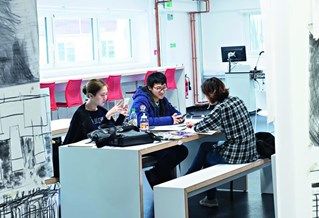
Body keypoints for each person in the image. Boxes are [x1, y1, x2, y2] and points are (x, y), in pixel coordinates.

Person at [185, 77, 258, 207]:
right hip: (250, 150)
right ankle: (207, 195)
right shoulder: (236, 100)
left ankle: (187, 181)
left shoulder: (221, 108)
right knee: (206, 147)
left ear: (211, 93)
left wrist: (193, 125)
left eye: (206, 95)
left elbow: (201, 127)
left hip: (238, 155)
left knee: (206, 156)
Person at [130, 72, 188, 188]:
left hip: (160, 137)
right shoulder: (141, 100)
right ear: (150, 88)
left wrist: (179, 117)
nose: (162, 91)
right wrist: (170, 120)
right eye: (158, 88)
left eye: (164, 88)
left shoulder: (163, 100)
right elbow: (142, 121)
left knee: (182, 150)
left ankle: (156, 175)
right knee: (171, 154)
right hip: (145, 138)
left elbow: (173, 111)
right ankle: (157, 177)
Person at [63, 79, 128, 145]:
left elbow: (114, 130)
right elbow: (94, 136)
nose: (105, 98)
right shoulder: (82, 114)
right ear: (91, 96)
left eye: (106, 94)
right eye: (102, 95)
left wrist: (122, 115)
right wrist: (108, 116)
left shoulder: (102, 110)